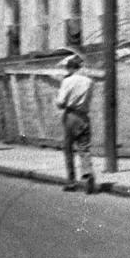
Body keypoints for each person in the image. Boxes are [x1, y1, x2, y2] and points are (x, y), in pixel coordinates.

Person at [55, 52, 95, 193]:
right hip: (84, 116)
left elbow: (60, 102)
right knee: (84, 148)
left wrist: (60, 103)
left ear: (70, 68)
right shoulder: (89, 81)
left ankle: (71, 181)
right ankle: (87, 174)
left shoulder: (67, 81)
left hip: (71, 115)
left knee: (68, 149)